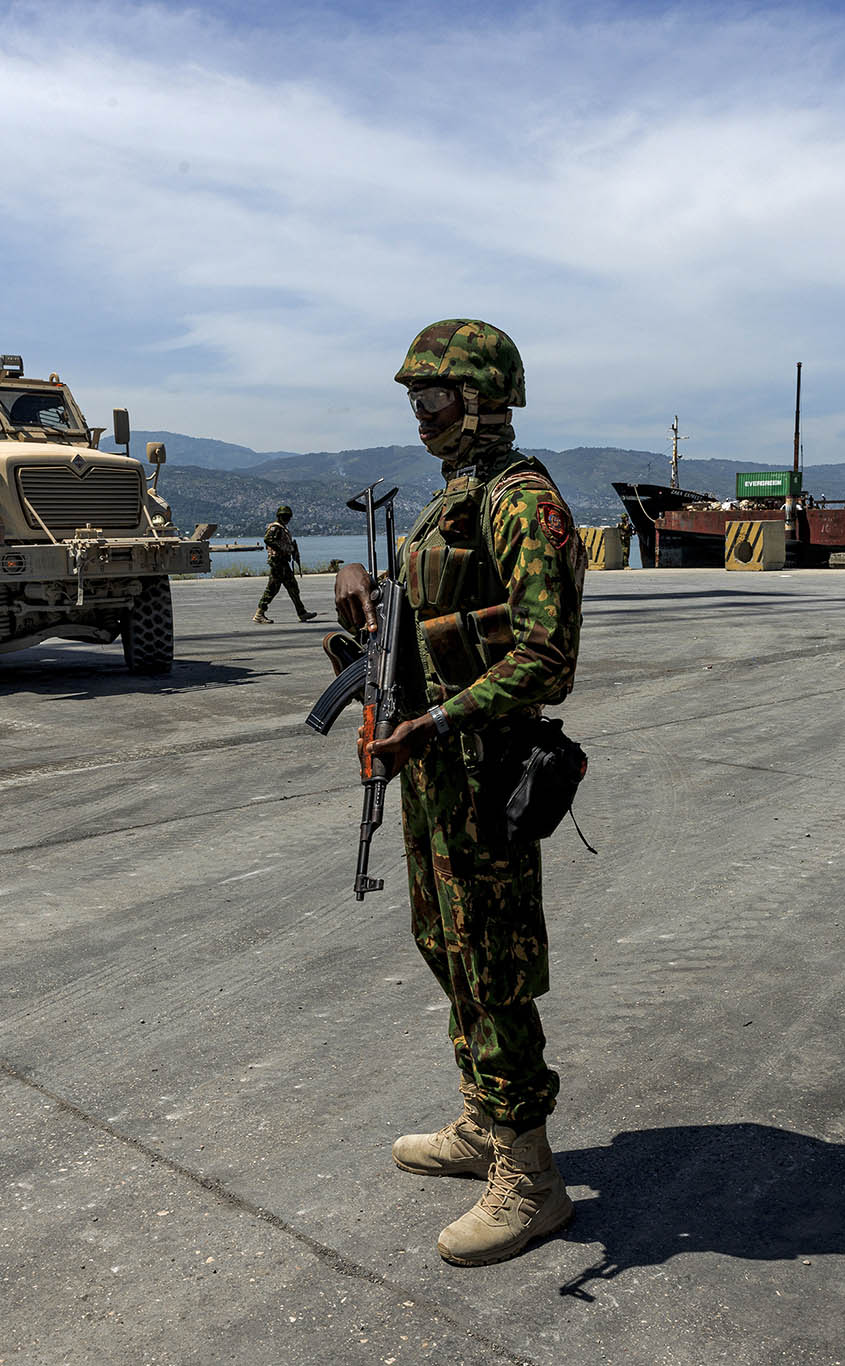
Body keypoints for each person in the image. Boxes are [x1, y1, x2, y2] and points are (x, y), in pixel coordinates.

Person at [334, 319, 584, 1267]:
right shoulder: (455, 501)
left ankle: (532, 1177)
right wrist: (367, 584)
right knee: (441, 940)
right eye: (414, 400)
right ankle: (485, 1122)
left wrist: (436, 723)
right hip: (432, 771)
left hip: (482, 770)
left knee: (492, 962)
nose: (421, 416)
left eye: (433, 398)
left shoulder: (522, 504)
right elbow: (424, 611)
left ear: (479, 400)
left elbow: (546, 658)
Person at [253, 504, 317, 624]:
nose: (287, 519)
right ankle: (259, 614)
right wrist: (282, 549)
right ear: (280, 516)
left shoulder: (282, 528)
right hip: (277, 563)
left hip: (283, 562)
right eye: (285, 516)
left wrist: (291, 550)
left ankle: (302, 612)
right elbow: (267, 539)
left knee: (293, 587)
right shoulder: (275, 528)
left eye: (288, 517)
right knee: (272, 589)